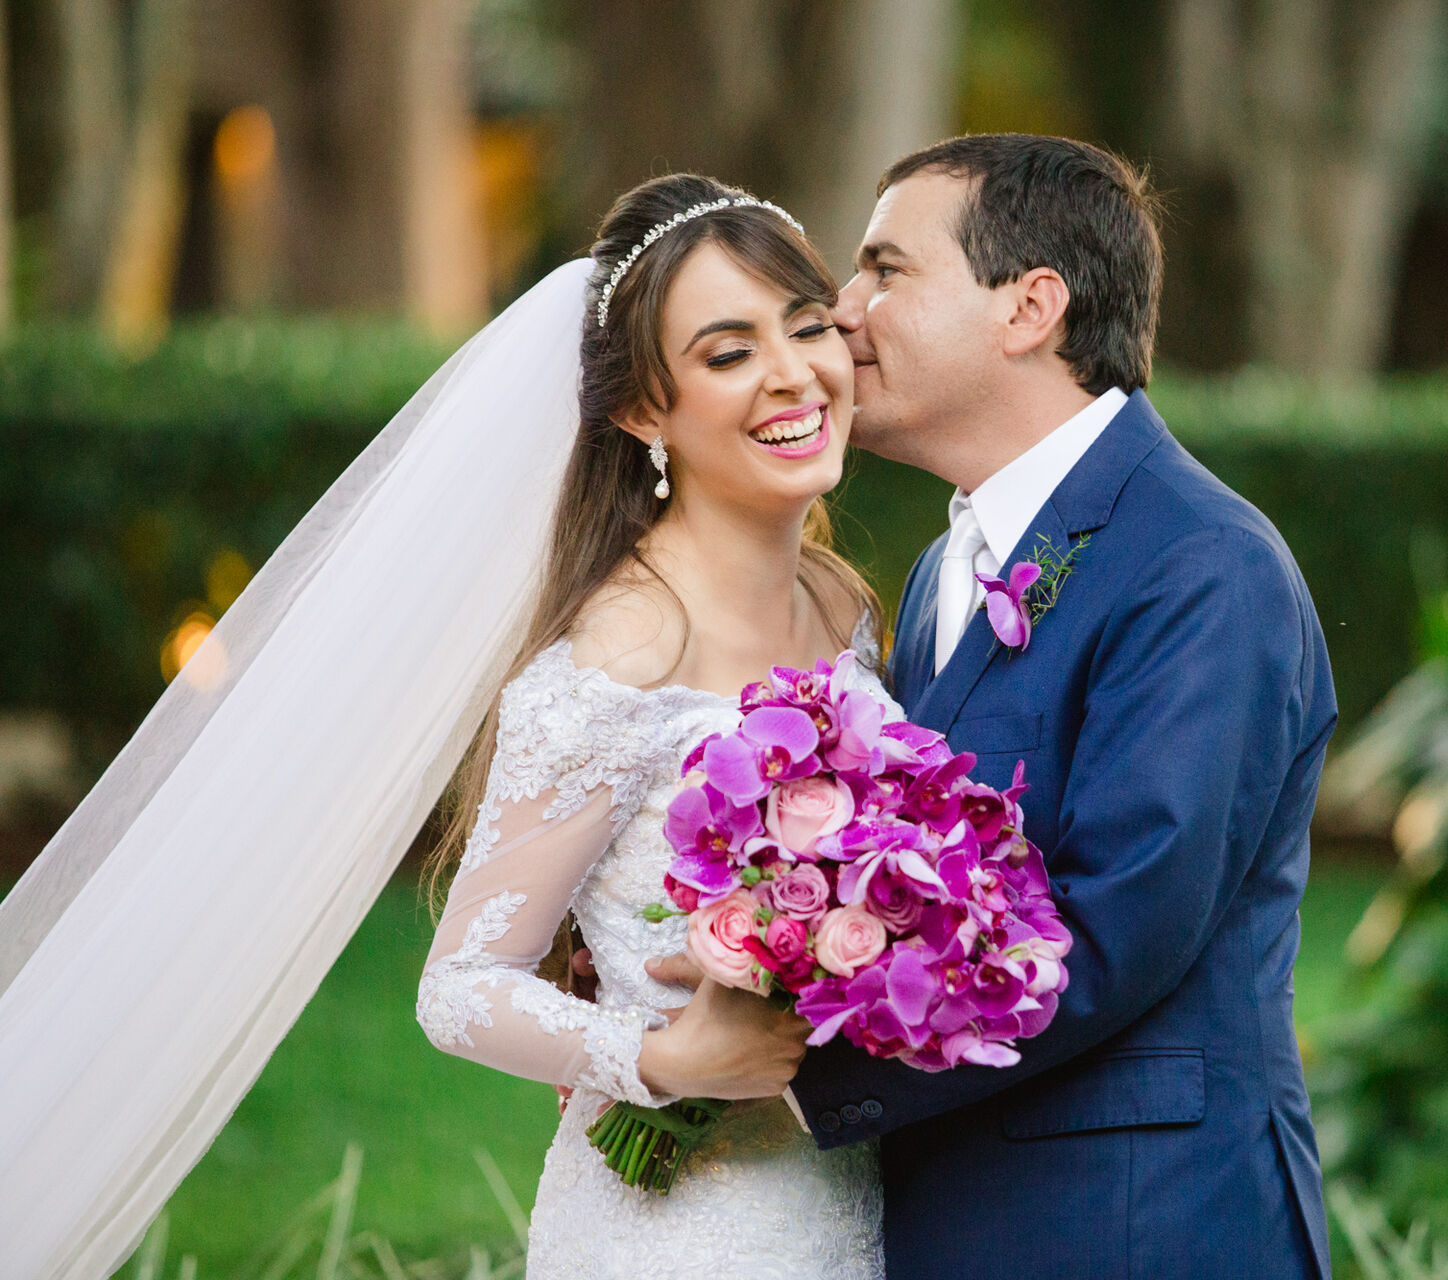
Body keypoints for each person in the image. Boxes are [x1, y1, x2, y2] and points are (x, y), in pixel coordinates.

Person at [0, 175, 889, 1279]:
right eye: (727, 351)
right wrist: (664, 1056)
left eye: (807, 326)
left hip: (853, 1191)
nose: (793, 373)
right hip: (686, 1229)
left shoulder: (841, 603)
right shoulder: (622, 654)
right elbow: (460, 985)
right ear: (639, 410)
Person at [612, 134, 1340, 1280]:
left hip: (1134, 1224)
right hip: (961, 1213)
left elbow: (1113, 931)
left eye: (885, 271)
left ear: (1030, 307)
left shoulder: (1202, 564)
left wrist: (772, 1066)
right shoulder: (946, 568)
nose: (842, 316)